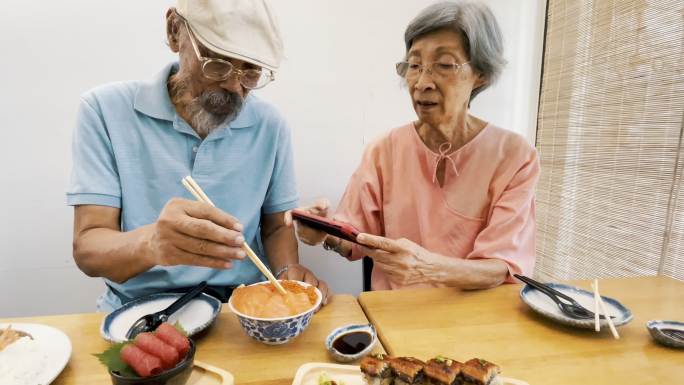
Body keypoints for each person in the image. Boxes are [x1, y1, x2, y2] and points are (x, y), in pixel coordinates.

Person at [68, 0, 329, 312]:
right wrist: (153, 243)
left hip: (239, 307)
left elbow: (275, 227)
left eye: (251, 70)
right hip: (137, 309)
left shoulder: (269, 125)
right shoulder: (105, 110)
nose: (235, 86)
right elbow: (88, 248)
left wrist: (287, 275)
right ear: (175, 31)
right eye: (217, 63)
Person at [287, 1, 539, 291]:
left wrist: (427, 268)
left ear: (480, 73)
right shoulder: (384, 151)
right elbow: (353, 240)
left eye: (444, 65)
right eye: (414, 65)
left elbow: (502, 266)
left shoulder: (513, 157)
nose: (422, 82)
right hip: (395, 314)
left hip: (473, 318)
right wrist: (322, 233)